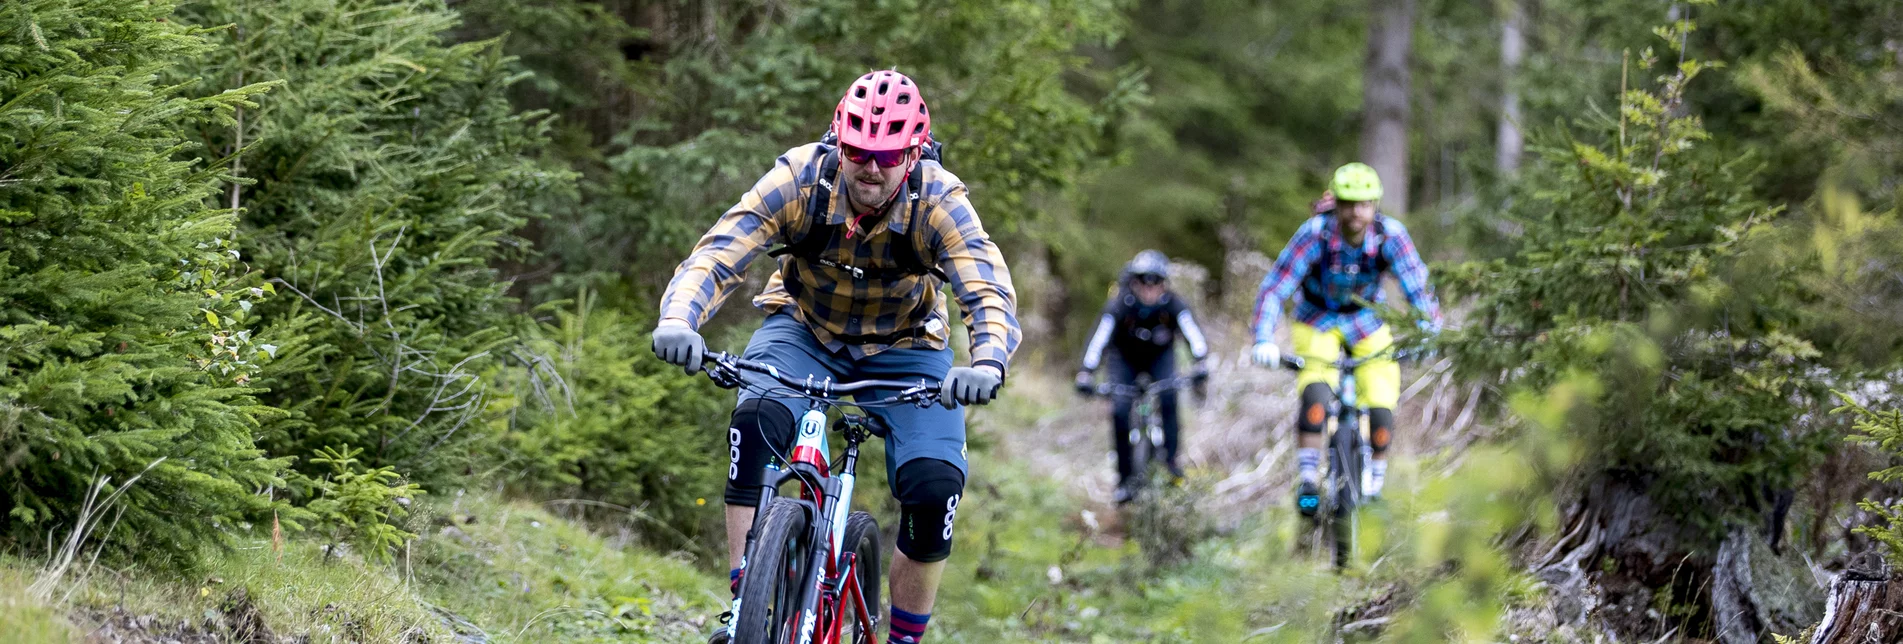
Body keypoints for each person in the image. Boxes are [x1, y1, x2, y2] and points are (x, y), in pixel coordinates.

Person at [650, 70, 1020, 644]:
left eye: (889, 155)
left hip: (907, 348)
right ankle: (746, 601)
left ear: (913, 152)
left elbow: (985, 287)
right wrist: (678, 319)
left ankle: (903, 637)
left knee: (934, 482)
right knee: (756, 422)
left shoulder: (939, 200)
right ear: (837, 139)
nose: (872, 167)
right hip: (803, 330)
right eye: (858, 151)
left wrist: (989, 359)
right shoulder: (800, 178)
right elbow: (721, 250)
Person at [1248, 162, 1441, 516]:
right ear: (1336, 204)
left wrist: (1430, 332)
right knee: (1316, 393)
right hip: (1316, 318)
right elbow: (1276, 287)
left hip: (1367, 320)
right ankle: (1308, 479)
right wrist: (1263, 338)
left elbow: (1419, 288)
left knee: (1382, 400)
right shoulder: (1315, 233)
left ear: (1375, 204)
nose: (1356, 212)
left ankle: (1373, 486)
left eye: (1364, 203)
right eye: (1349, 203)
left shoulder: (1390, 235)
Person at [1074, 250, 1210, 503]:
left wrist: (1201, 363)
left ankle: (1171, 466)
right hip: (1123, 362)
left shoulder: (1173, 304)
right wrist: (1086, 372)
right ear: (1134, 283)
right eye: (1143, 283)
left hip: (1160, 359)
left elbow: (1193, 334)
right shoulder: (1119, 305)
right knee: (1120, 411)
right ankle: (1124, 478)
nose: (1149, 290)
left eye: (1156, 283)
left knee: (1169, 398)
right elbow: (1099, 338)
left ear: (1164, 284)